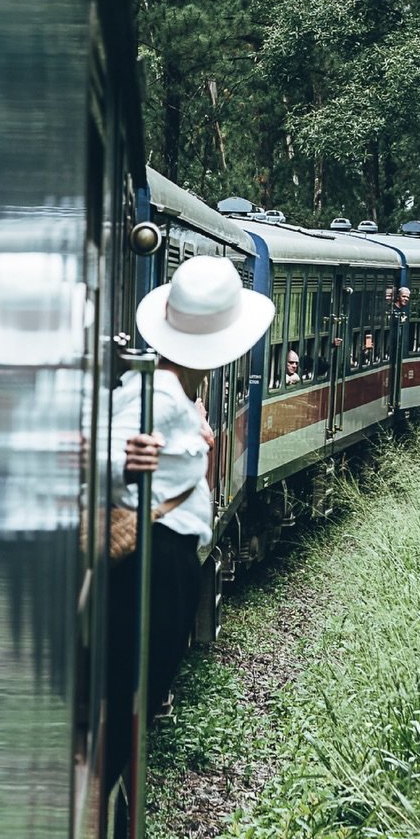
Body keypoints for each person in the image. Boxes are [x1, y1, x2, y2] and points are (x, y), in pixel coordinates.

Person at [104, 255, 274, 789]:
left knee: (133, 702)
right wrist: (126, 460)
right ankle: (95, 806)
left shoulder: (174, 393)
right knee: (131, 703)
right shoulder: (158, 395)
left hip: (160, 555)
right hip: (154, 558)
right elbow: (108, 450)